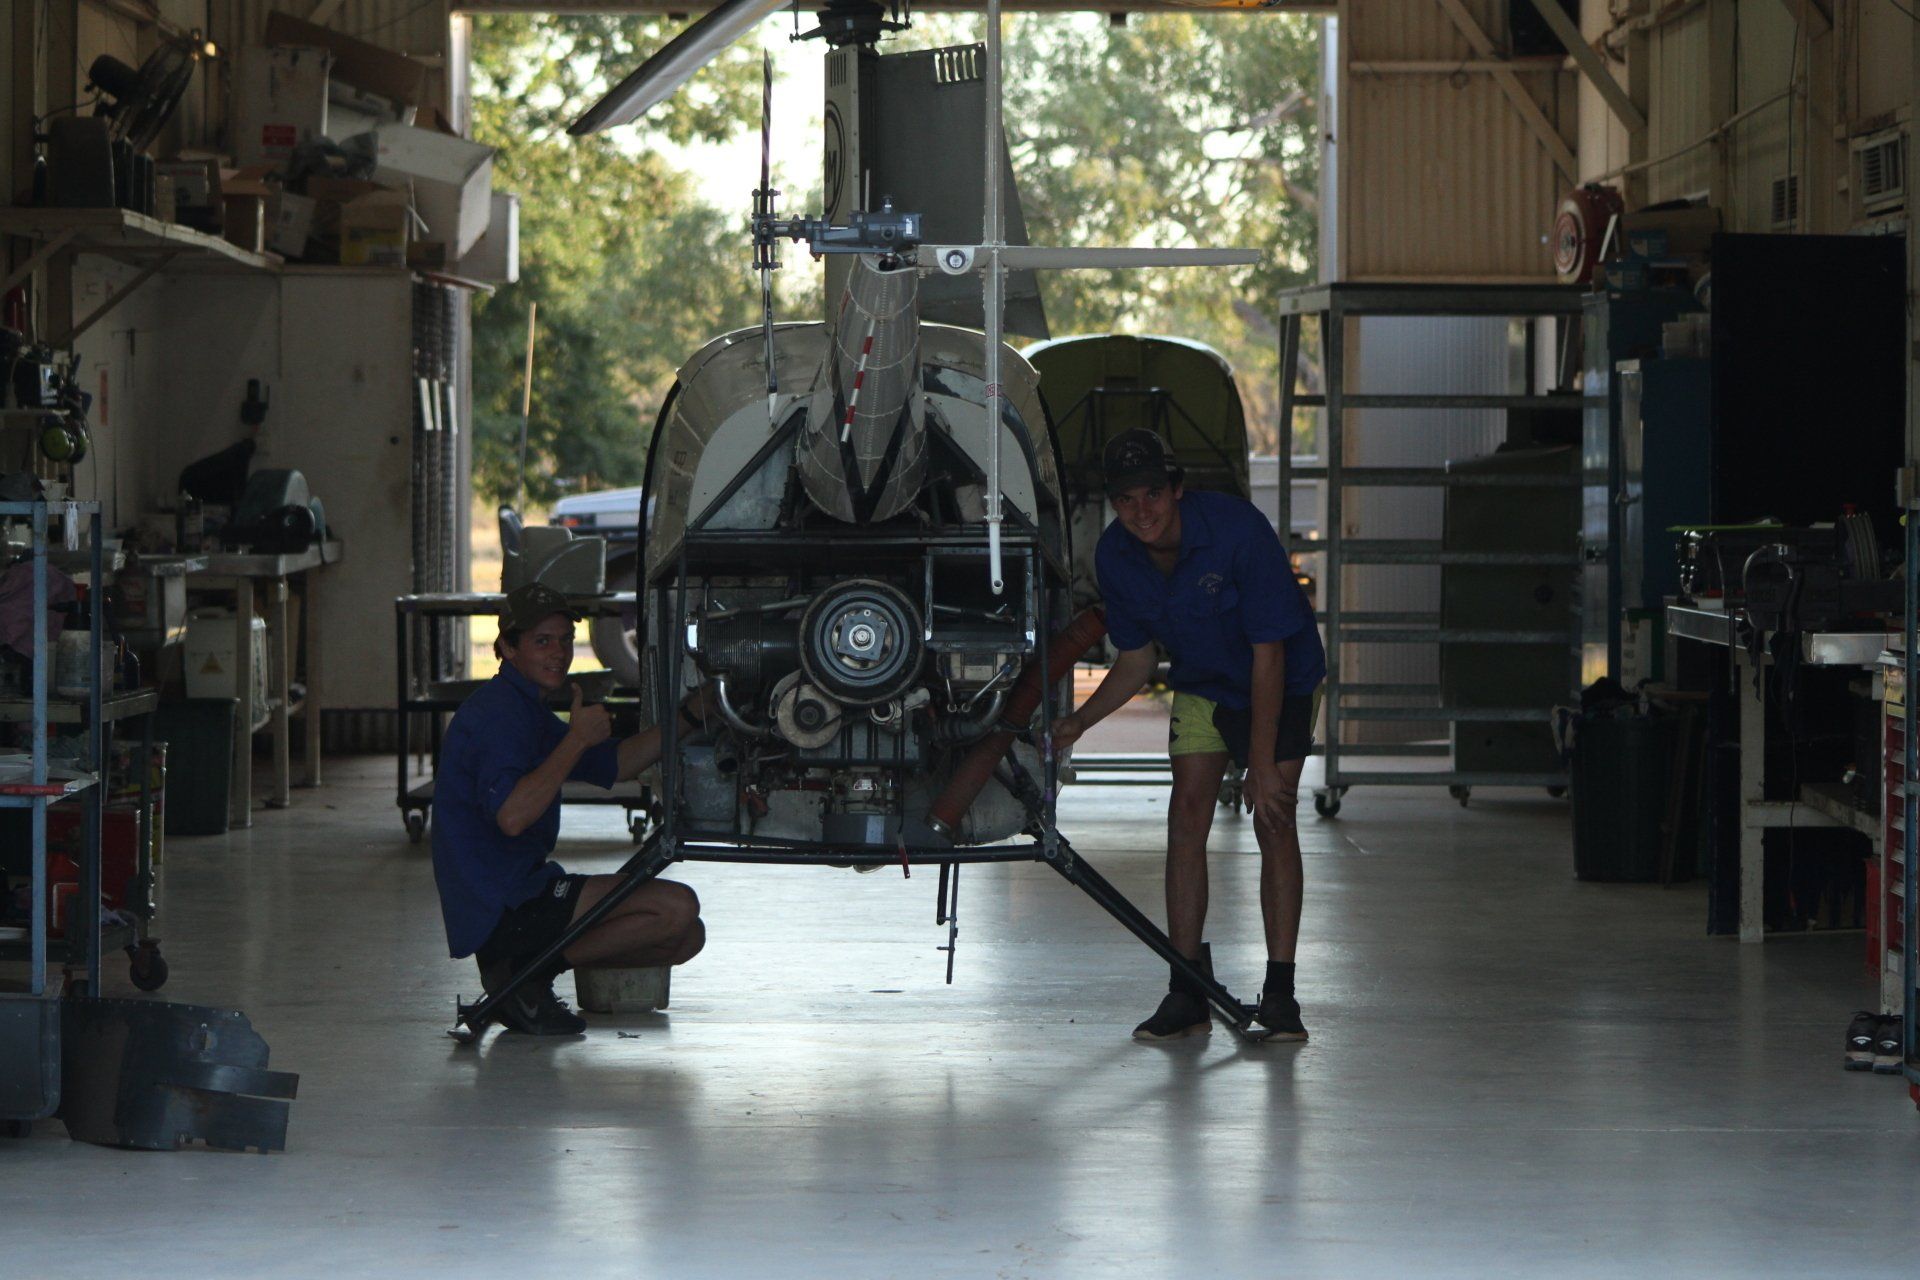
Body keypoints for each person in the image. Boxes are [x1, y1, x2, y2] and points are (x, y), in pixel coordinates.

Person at [1053, 429, 1326, 1042]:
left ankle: (1280, 994)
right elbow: (1136, 660)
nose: (1141, 512)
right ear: (1112, 505)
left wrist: (1259, 759)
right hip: (1204, 683)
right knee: (1185, 816)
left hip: (1279, 677)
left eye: (1153, 493)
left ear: (1176, 489)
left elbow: (1270, 652)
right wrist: (1075, 723)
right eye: (1126, 500)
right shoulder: (1116, 556)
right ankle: (1187, 987)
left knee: (1273, 816)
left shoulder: (1235, 531)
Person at [431, 583, 707, 1036]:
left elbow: (619, 763)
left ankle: (527, 975)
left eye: (565, 640)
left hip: (526, 888)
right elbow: (512, 816)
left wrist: (692, 715)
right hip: (499, 904)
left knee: (685, 937)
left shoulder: (529, 710)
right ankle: (524, 975)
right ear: (506, 647)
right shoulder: (498, 714)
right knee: (676, 908)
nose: (559, 653)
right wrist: (577, 738)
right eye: (542, 641)